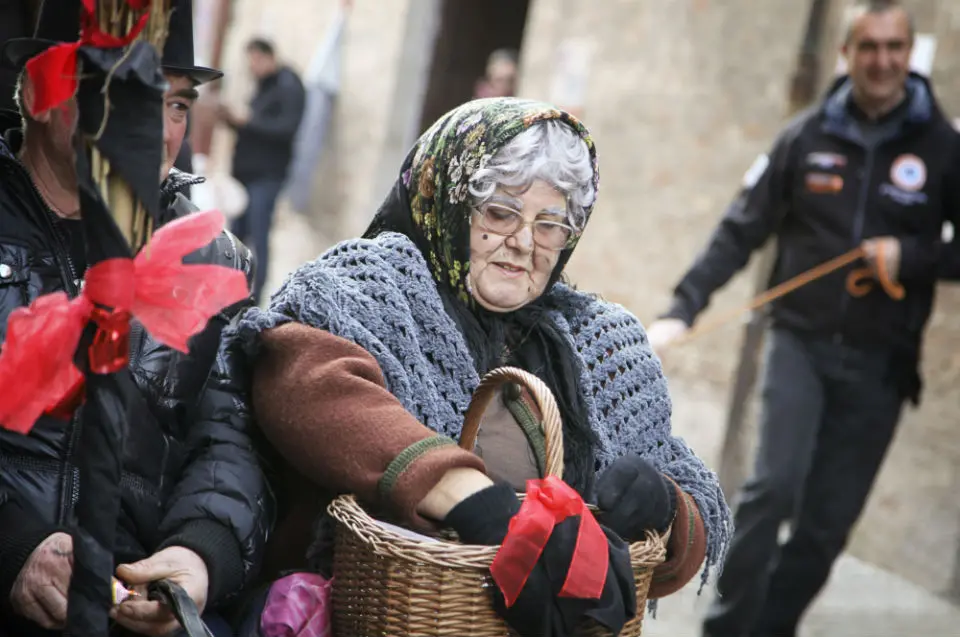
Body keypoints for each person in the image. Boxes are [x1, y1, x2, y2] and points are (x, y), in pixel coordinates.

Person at [231, 97, 730, 636]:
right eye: (499, 213)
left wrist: (665, 506)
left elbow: (685, 509)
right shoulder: (364, 289)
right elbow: (309, 385)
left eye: (549, 225)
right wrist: (477, 503)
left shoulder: (598, 339)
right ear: (448, 201)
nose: (522, 243)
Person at [644, 2, 960, 636]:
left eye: (894, 47)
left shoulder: (943, 147)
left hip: (882, 364)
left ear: (910, 53)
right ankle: (726, 629)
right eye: (868, 47)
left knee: (826, 524)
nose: (882, 61)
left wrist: (914, 257)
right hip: (801, 344)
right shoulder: (806, 137)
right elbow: (740, 229)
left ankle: (773, 628)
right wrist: (682, 308)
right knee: (773, 490)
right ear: (846, 54)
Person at [0, 1, 270, 635]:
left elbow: (228, 436)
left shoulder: (207, 256)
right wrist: (12, 547)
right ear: (44, 93)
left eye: (176, 103)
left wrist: (199, 555)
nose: (161, 128)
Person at [219, 38, 306, 304]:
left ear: (269, 57)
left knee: (258, 235)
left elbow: (285, 129)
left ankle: (254, 299)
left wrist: (249, 121)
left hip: (266, 177)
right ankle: (227, 293)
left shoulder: (288, 85)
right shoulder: (263, 86)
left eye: (256, 60)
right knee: (235, 239)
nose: (253, 67)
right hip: (245, 177)